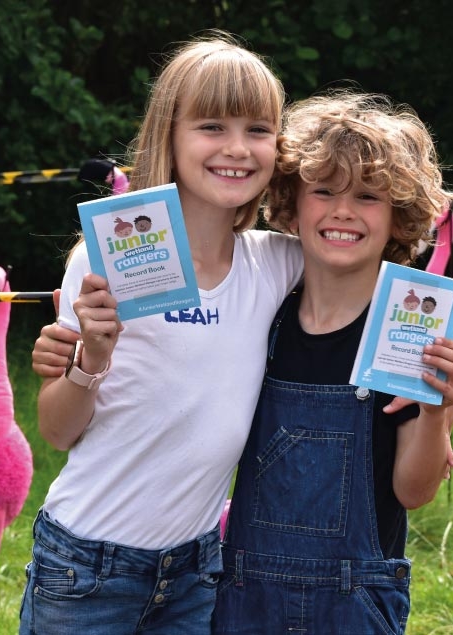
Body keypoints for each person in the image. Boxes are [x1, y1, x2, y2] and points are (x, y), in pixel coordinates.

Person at [18, 32, 304, 635]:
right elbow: (56, 429)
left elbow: (364, 270)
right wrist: (89, 357)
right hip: (86, 568)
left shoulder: (278, 263)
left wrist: (431, 351)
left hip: (198, 568)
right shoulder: (102, 262)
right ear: (168, 136)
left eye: (258, 129)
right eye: (211, 126)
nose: (237, 148)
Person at [211, 91, 453, 634]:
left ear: (401, 213)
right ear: (290, 200)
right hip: (242, 596)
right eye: (323, 191)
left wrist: (434, 412)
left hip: (355, 606)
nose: (343, 211)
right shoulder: (264, 309)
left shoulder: (412, 322)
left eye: (369, 197)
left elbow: (413, 492)